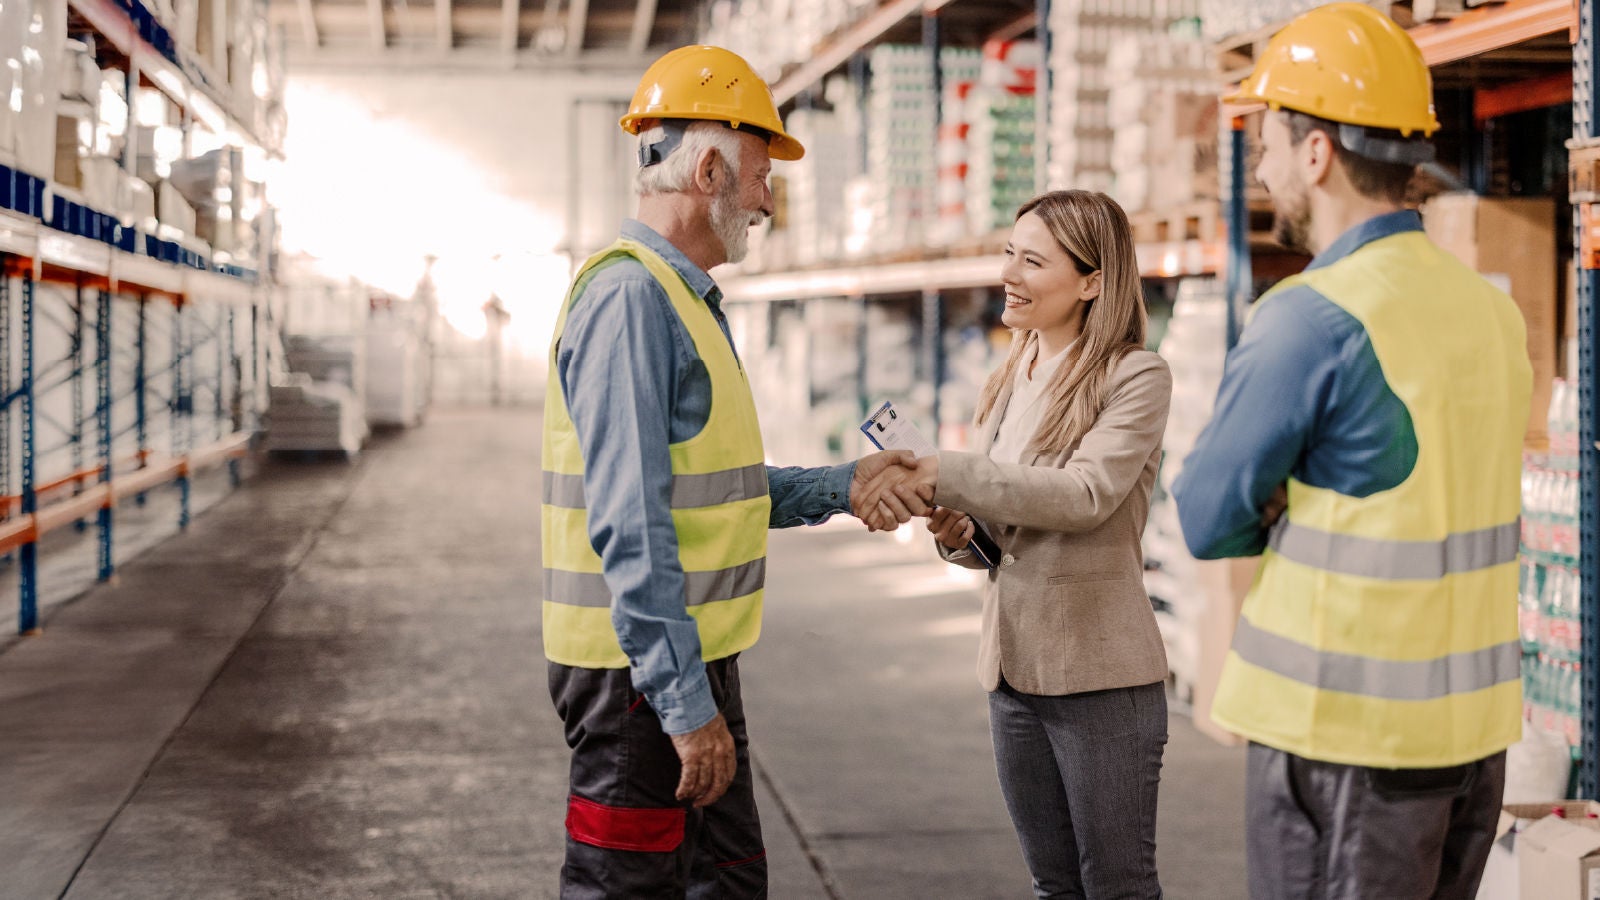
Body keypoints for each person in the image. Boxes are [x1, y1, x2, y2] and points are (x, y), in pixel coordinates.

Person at [1169, 5, 1532, 899]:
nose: (1260, 166)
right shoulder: (1491, 311)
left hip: (1346, 745)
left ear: (1319, 152)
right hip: (1474, 745)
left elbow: (1207, 517)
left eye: (1269, 142)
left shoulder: (1310, 317)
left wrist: (1284, 496)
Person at [541, 45, 918, 899]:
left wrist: (844, 487)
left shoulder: (684, 300)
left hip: (687, 657)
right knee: (629, 888)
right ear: (708, 168)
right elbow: (630, 521)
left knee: (728, 883)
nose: (767, 200)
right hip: (638, 676)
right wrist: (684, 707)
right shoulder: (632, 300)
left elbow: (713, 486)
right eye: (759, 176)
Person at [867, 189, 1172, 899]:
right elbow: (1006, 539)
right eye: (1009, 252)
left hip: (1101, 678)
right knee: (1053, 886)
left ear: (1092, 281)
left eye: (1032, 260)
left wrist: (957, 473)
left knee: (1119, 886)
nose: (1009, 272)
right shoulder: (1011, 374)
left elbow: (1085, 495)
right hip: (1013, 674)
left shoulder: (1134, 377)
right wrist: (960, 533)